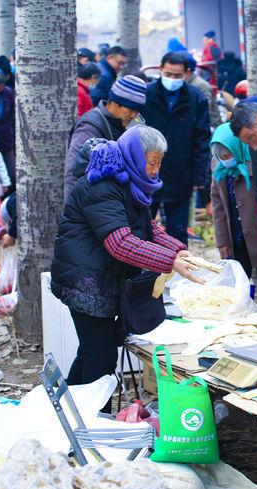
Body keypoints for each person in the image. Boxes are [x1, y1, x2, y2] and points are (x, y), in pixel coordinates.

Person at [51, 125, 202, 389]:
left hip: (102, 280)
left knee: (91, 352)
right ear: (134, 155)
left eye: (158, 164)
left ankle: (69, 414)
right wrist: (169, 261)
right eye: (151, 163)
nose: (155, 171)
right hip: (86, 283)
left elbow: (148, 229)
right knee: (101, 360)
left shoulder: (129, 182)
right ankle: (97, 423)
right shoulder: (102, 185)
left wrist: (177, 250)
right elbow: (120, 243)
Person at [142, 51, 211, 246]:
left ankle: (177, 274)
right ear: (161, 70)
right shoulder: (146, 95)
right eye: (169, 74)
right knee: (142, 229)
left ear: (186, 74)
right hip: (146, 173)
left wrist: (201, 181)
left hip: (181, 173)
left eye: (177, 76)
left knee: (177, 233)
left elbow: (201, 143)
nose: (172, 79)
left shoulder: (196, 99)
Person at [209, 123, 257, 306]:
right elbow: (218, 205)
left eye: (228, 154)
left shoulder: (256, 164)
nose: (225, 159)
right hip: (237, 238)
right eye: (221, 156)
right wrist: (223, 242)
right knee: (239, 287)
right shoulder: (219, 167)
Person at [64, 75, 147, 201]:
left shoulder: (121, 125)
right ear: (114, 102)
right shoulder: (90, 127)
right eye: (130, 109)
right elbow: (73, 174)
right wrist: (72, 214)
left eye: (137, 111)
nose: (133, 115)